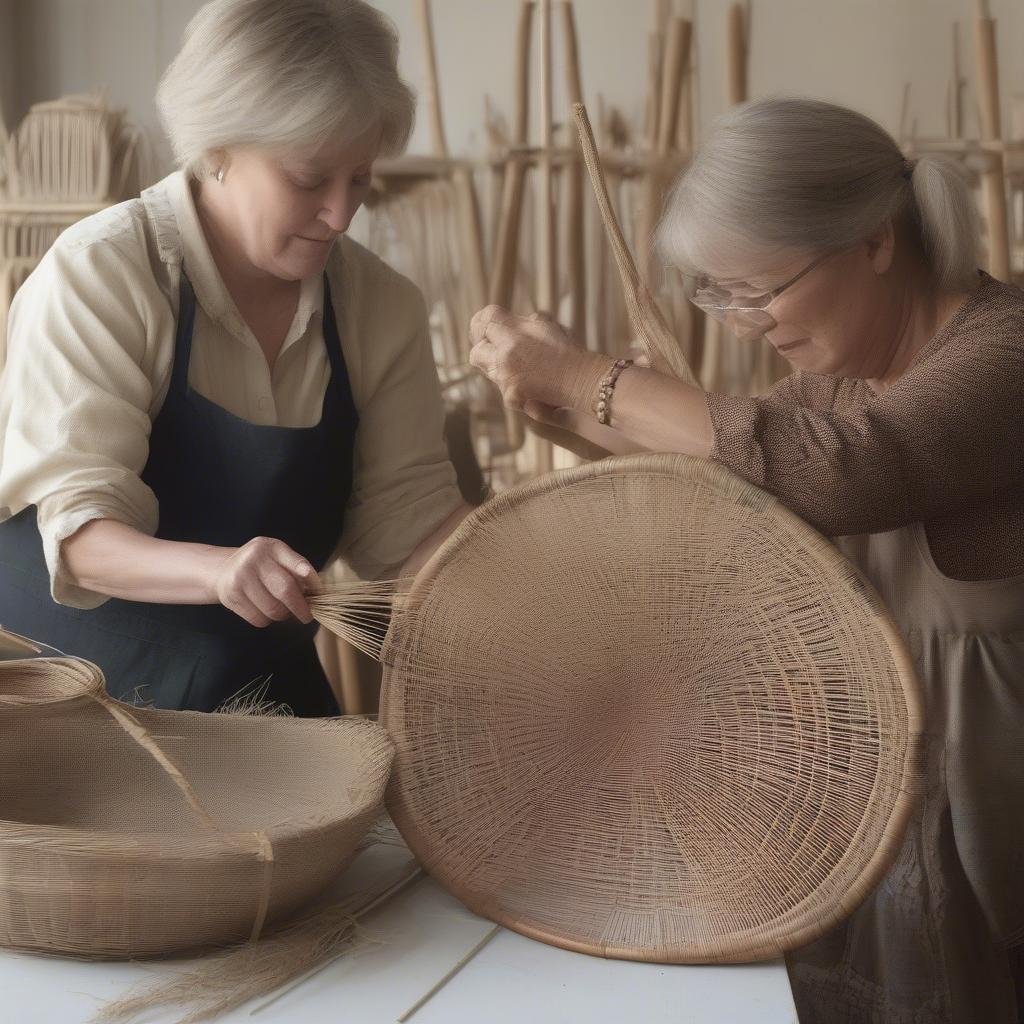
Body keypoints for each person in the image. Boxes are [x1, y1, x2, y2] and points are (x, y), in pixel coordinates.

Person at [469, 97, 1024, 1024]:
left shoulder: (1003, 352)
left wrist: (588, 379)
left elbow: (847, 472)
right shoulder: (841, 376)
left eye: (760, 290)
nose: (743, 324)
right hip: (883, 807)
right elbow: (741, 497)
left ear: (876, 241)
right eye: (720, 295)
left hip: (995, 809)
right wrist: (566, 418)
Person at [0, 0, 471, 715]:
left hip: (255, 704)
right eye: (310, 179)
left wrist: (526, 566)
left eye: (361, 178)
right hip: (60, 712)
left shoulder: (381, 307)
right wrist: (221, 572)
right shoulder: (103, 275)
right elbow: (81, 535)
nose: (342, 215)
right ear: (216, 147)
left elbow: (407, 530)